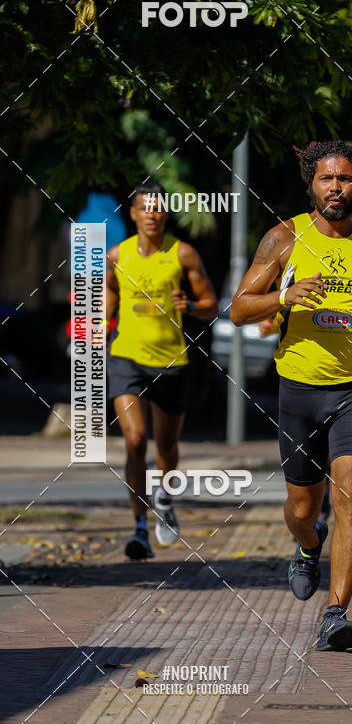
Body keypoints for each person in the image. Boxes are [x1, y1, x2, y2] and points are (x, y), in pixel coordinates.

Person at [231, 140, 352, 651]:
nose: (337, 187)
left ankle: (336, 613)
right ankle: (308, 546)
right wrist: (284, 295)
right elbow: (240, 309)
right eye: (327, 179)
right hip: (300, 389)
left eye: (346, 179)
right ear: (311, 184)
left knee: (350, 491)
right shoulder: (284, 238)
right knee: (301, 508)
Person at [106, 184, 218, 560]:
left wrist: (190, 304)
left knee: (166, 447)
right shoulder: (116, 256)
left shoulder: (182, 253)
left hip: (171, 362)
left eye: (158, 209)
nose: (152, 215)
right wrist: (96, 325)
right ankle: (139, 528)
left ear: (165, 215)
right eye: (145, 209)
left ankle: (165, 498)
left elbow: (211, 306)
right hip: (126, 357)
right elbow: (108, 296)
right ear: (133, 214)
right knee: (136, 440)